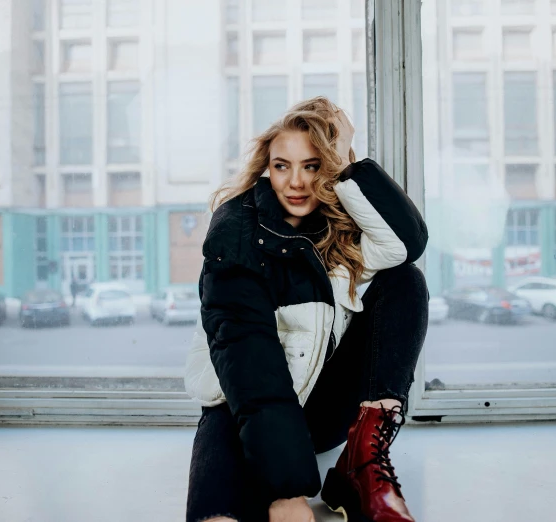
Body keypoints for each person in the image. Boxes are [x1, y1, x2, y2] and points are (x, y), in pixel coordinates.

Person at [184, 97, 429, 522]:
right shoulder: (236, 237)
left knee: (404, 280)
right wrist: (288, 491)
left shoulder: (339, 234)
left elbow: (405, 245)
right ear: (266, 167)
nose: (296, 182)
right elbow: (247, 360)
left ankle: (361, 463)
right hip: (241, 400)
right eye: (282, 165)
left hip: (321, 412)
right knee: (220, 490)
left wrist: (347, 159)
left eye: (313, 165)